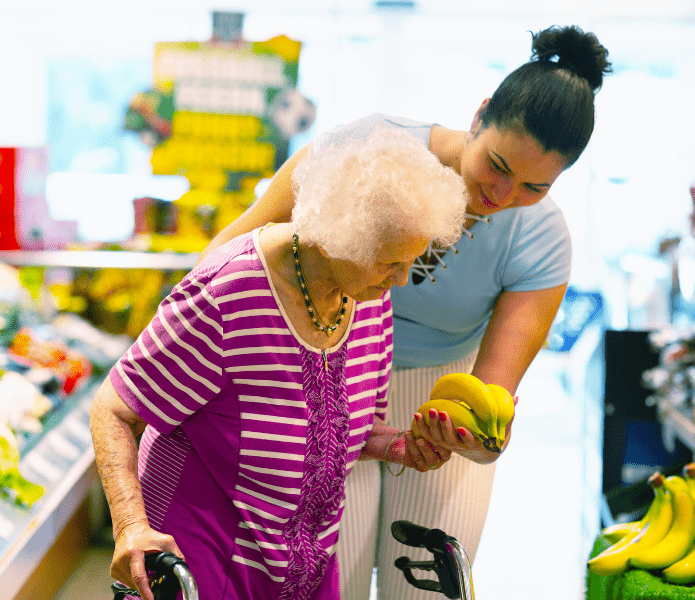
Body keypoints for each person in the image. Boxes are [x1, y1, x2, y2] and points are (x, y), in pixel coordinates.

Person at [194, 24, 612, 599]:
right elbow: (226, 258)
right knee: (318, 578)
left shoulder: (541, 239)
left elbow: (492, 393)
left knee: (426, 585)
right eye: (497, 165)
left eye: (534, 187)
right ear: (481, 113)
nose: (504, 195)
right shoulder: (366, 150)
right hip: (317, 375)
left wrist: (476, 437)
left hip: (437, 391)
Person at [89, 125, 469, 600]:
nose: (401, 280)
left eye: (411, 261)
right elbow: (114, 407)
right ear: (336, 238)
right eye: (390, 263)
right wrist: (128, 527)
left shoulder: (366, 296)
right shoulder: (229, 293)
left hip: (303, 563)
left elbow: (345, 430)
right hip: (201, 553)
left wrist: (402, 447)